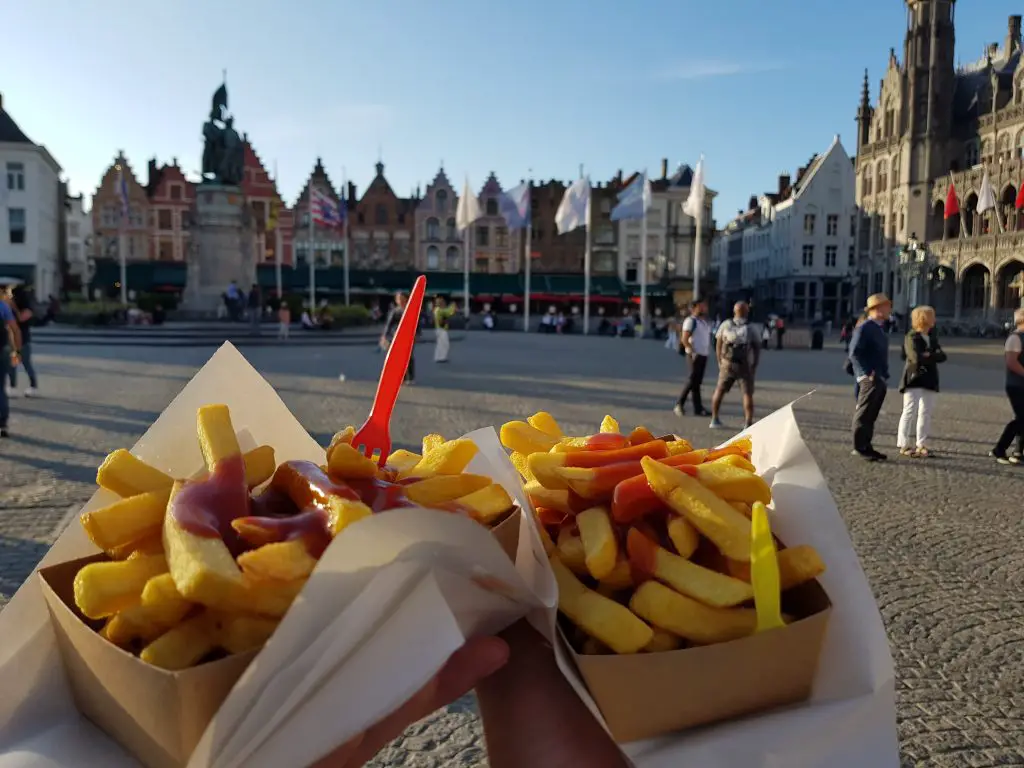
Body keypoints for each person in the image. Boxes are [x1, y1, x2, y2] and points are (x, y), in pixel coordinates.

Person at [897, 305, 946, 458]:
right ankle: (903, 444)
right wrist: (931, 355)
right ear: (924, 318)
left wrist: (928, 354)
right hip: (914, 378)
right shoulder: (912, 336)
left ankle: (921, 443)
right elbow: (915, 357)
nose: (934, 320)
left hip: (929, 378)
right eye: (932, 316)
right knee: (909, 411)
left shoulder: (932, 336)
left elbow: (943, 356)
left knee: (926, 412)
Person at [849, 293, 892, 462]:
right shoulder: (865, 327)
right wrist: (867, 373)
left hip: (878, 377)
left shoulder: (877, 327)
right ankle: (859, 446)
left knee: (871, 413)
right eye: (887, 306)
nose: (890, 310)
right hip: (869, 378)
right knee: (864, 412)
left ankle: (866, 444)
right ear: (878, 309)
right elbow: (854, 353)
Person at [709, 301, 760, 429]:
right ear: (747, 311)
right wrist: (754, 364)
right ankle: (748, 422)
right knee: (747, 393)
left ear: (734, 311)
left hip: (727, 362)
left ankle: (714, 419)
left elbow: (718, 343)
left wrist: (720, 360)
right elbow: (757, 347)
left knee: (719, 390)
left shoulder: (726, 325)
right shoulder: (751, 327)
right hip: (744, 364)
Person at [991, 306, 1024, 464]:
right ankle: (999, 449)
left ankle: (1018, 452)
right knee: (1022, 418)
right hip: (1017, 384)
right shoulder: (1015, 338)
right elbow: (1012, 362)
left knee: (1022, 418)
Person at [674, 299, 712, 418]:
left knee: (697, 382)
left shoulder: (704, 322)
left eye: (705, 306)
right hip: (694, 355)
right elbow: (685, 338)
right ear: (694, 308)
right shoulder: (690, 321)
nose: (704, 308)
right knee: (692, 380)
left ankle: (698, 408)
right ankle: (679, 404)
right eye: (701, 306)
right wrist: (691, 351)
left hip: (703, 354)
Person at [6, 285, 38, 397]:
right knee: (12, 365)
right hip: (12, 340)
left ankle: (33, 386)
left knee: (26, 364)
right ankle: (12, 386)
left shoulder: (27, 309)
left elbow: (21, 318)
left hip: (24, 340)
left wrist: (13, 306)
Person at [0, 294, 22, 438]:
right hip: (1, 349)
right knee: (0, 388)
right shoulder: (2, 306)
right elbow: (15, 329)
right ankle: (3, 423)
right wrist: (17, 351)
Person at [382, 291, 415, 384]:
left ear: (406, 299)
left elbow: (416, 323)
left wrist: (418, 333)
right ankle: (402, 377)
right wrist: (385, 335)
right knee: (399, 358)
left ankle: (411, 377)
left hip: (409, 336)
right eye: (398, 298)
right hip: (397, 336)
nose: (400, 300)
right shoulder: (395, 311)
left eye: (401, 298)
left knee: (409, 357)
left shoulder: (411, 310)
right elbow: (389, 325)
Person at [433, 296, 457, 363]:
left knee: (440, 344)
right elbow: (448, 313)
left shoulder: (437, 309)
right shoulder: (439, 310)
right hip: (441, 329)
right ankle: (441, 358)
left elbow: (447, 312)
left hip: (439, 329)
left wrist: (452, 308)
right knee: (445, 344)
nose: (444, 303)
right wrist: (452, 307)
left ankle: (438, 357)